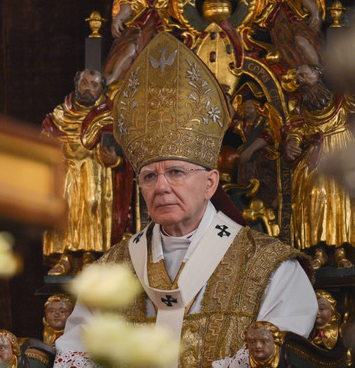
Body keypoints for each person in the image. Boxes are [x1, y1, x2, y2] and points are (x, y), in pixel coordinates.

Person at [54, 32, 317, 367]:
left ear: (210, 183)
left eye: (176, 172)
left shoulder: (270, 266)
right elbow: (75, 351)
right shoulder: (110, 270)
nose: (161, 186)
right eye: (149, 176)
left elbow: (279, 350)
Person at [42, 69, 131, 275]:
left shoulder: (111, 116)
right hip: (67, 172)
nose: (88, 89)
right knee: (65, 209)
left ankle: (90, 255)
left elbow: (129, 156)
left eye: (94, 85)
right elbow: (43, 140)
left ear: (102, 88)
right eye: (84, 83)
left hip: (97, 174)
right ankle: (64, 256)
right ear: (76, 84)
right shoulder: (58, 115)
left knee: (92, 207)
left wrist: (117, 161)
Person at [284, 64, 355, 269]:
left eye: (304, 74)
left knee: (343, 196)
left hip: (341, 151)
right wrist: (292, 143)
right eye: (298, 76)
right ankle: (319, 249)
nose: (301, 79)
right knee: (314, 194)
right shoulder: (301, 108)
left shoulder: (341, 98)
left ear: (317, 73)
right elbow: (296, 129)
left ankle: (341, 251)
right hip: (316, 155)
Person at [103, 0, 175, 87]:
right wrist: (118, 18)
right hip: (138, 27)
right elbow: (131, 4)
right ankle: (114, 77)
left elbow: (180, 8)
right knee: (130, 49)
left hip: (160, 30)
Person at [254, 0, 325, 69]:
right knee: (289, 50)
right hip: (274, 21)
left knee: (302, 40)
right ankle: (308, 73)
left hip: (294, 15)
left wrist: (314, 11)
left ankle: (318, 70)